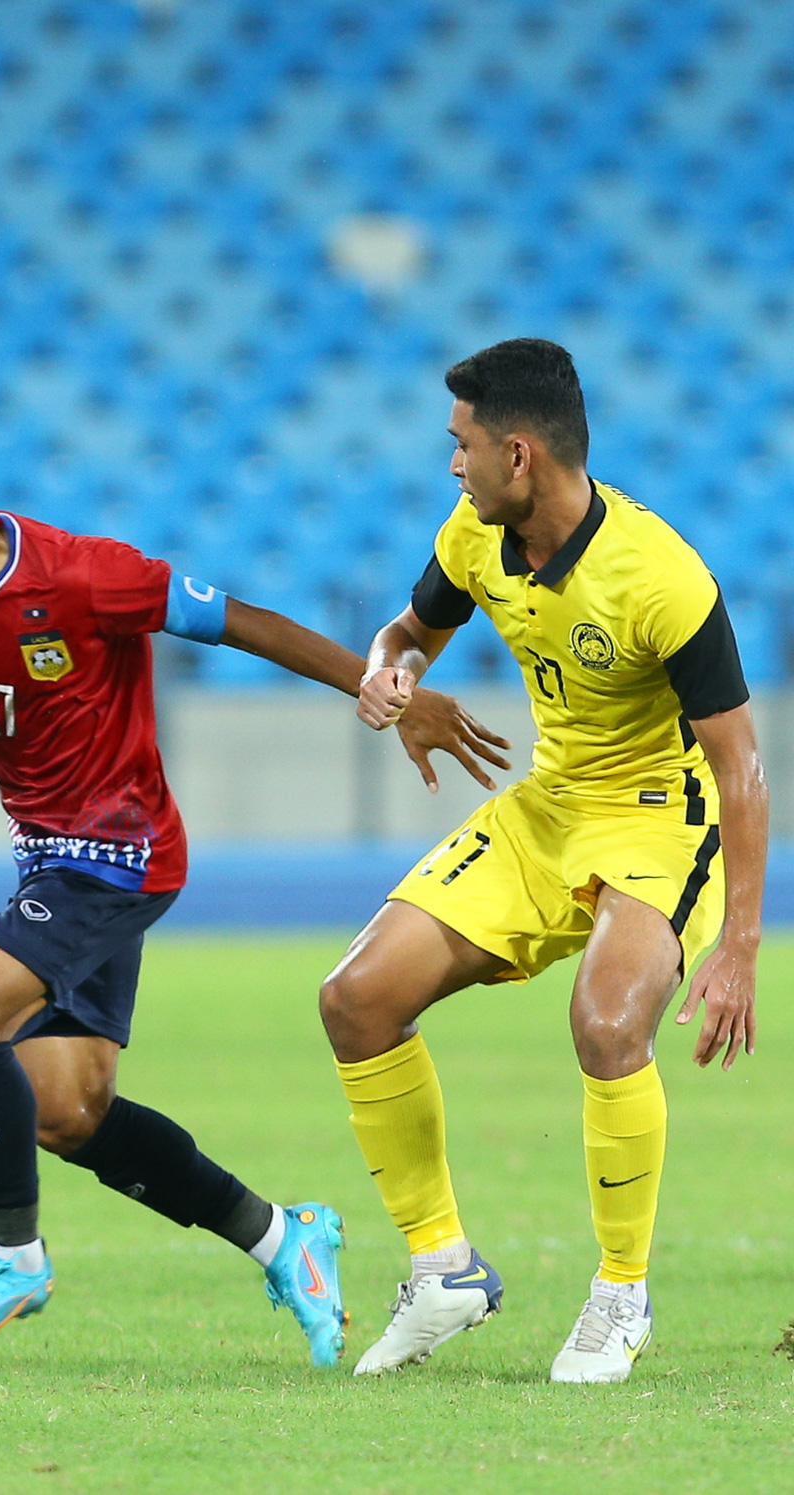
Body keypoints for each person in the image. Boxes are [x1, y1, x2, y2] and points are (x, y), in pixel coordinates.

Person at [0, 355, 510, 1366]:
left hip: (123, 849)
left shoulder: (80, 574)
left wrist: (384, 688)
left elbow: (245, 624)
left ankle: (12, 1255)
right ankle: (285, 1239)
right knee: (66, 1109)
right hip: (44, 861)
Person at [325, 338, 765, 1383]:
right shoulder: (475, 537)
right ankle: (442, 1273)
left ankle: (619, 1293)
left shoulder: (658, 574)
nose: (450, 466)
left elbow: (739, 769)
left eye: (460, 444)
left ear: (516, 455)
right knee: (354, 998)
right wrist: (388, 682)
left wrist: (740, 940)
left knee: (607, 1023)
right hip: (548, 806)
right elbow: (402, 633)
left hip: (659, 815)